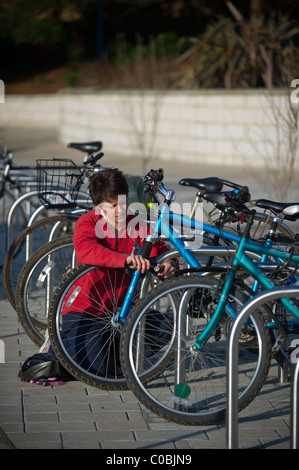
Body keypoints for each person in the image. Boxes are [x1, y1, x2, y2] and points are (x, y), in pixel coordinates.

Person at [59, 168, 176, 378]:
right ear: (98, 207)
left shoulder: (135, 223)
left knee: (167, 328)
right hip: (86, 312)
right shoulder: (87, 222)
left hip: (123, 312)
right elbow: (85, 251)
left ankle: (117, 352)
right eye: (112, 206)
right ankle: (69, 348)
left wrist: (169, 262)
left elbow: (160, 248)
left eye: (123, 203)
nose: (120, 210)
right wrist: (125, 259)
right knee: (100, 370)